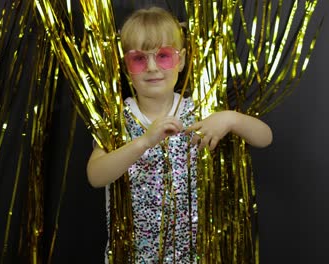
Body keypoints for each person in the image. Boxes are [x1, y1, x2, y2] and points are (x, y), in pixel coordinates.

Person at [86, 6, 273, 263]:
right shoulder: (118, 119)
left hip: (193, 255)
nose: (152, 67)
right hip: (134, 257)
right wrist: (145, 141)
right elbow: (95, 176)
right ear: (125, 64)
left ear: (181, 60)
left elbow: (265, 137)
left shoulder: (199, 110)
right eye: (139, 58)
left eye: (163, 56)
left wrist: (231, 119)